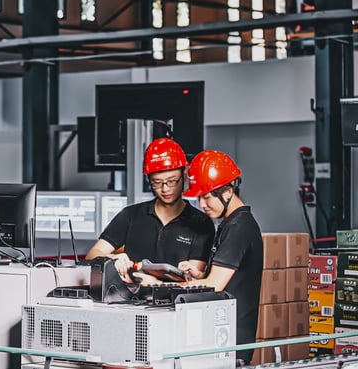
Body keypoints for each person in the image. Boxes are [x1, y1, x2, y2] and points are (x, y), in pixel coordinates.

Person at [86, 138, 215, 283]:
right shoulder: (130, 215)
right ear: (149, 180)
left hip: (175, 303)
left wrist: (154, 282)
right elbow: (92, 254)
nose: (165, 189)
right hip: (126, 302)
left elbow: (191, 279)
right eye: (157, 183)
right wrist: (111, 258)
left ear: (184, 175)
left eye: (172, 181)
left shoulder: (201, 224)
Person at [177, 150, 263, 366]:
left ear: (227, 192)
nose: (202, 204)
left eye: (206, 197)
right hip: (222, 340)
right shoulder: (229, 225)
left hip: (230, 345)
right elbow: (223, 279)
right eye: (199, 198)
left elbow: (215, 286)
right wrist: (199, 275)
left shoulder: (239, 227)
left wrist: (165, 285)